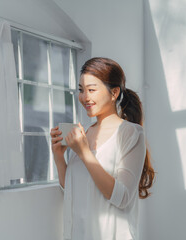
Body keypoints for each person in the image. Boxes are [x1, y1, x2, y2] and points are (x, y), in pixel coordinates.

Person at [50, 57, 155, 240]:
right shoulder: (85, 133)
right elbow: (75, 190)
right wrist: (59, 158)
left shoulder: (131, 133)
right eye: (81, 90)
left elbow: (122, 198)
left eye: (91, 90)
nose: (85, 97)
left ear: (114, 93)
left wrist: (84, 153)